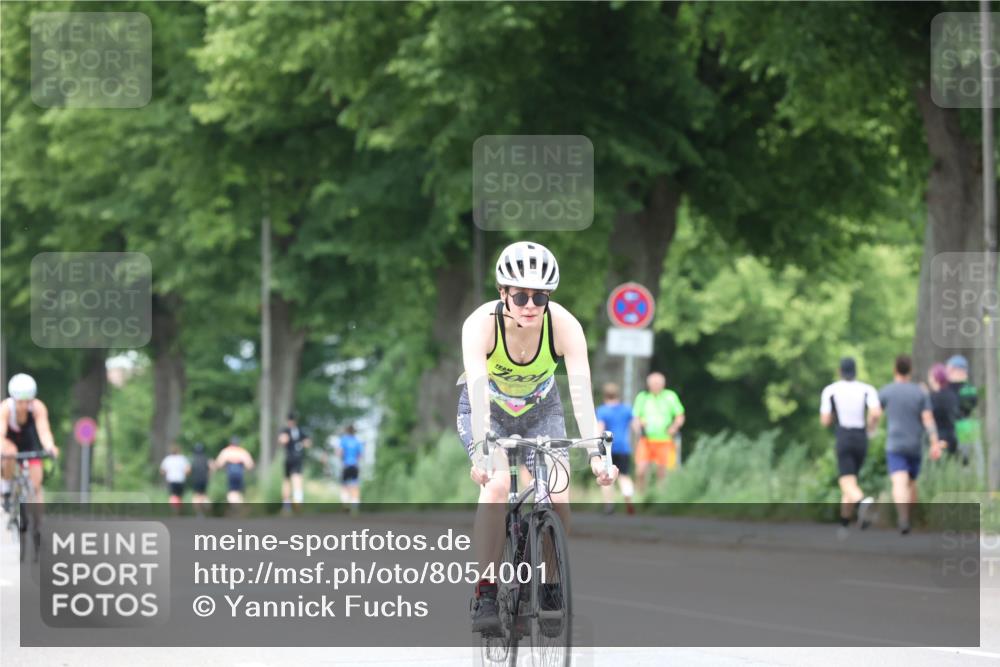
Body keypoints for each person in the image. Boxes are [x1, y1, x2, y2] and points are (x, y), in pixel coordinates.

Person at [458, 241, 617, 634]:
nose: (531, 304)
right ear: (502, 293)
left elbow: (580, 392)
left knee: (559, 495)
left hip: (541, 411)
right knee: (496, 486)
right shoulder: (481, 325)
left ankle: (549, 584)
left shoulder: (564, 326)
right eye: (521, 295)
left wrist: (597, 453)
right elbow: (477, 391)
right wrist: (481, 452)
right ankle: (487, 591)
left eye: (540, 296)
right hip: (488, 410)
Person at [877, 355, 941, 535]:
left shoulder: (886, 391)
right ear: (910, 370)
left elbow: (875, 413)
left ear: (894, 369)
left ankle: (903, 519)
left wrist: (870, 428)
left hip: (895, 443)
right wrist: (934, 442)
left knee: (899, 482)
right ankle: (909, 519)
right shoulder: (920, 392)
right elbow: (928, 419)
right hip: (914, 444)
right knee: (911, 483)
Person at [819, 357, 881, 531]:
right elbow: (875, 413)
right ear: (855, 371)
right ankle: (845, 522)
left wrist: (832, 417)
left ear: (840, 371)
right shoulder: (867, 389)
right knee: (851, 480)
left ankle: (863, 503)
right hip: (861, 437)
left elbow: (824, 420)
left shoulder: (831, 390)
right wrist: (871, 428)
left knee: (845, 481)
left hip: (844, 436)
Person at [1, 374, 60, 511]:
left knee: (36, 483)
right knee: (10, 452)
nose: (24, 406)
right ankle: (6, 488)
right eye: (20, 402)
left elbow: (44, 431)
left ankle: (38, 523)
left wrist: (50, 446)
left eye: (28, 401)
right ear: (14, 399)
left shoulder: (38, 408)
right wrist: (5, 447)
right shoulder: (5, 408)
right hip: (9, 441)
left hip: (29, 442)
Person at [631, 371, 685, 493]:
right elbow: (635, 417)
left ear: (663, 384)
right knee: (640, 470)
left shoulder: (670, 396)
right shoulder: (643, 397)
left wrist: (674, 427)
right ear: (649, 384)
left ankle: (661, 497)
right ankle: (641, 495)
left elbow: (680, 416)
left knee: (663, 471)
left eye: (658, 383)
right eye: (653, 384)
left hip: (665, 440)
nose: (656, 386)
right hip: (646, 440)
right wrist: (638, 426)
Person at [596, 382, 635, 515]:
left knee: (607, 475)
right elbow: (636, 426)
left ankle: (609, 506)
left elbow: (600, 429)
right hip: (624, 447)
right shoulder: (627, 409)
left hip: (608, 447)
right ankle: (629, 502)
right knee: (624, 476)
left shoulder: (602, 410)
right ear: (618, 394)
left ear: (605, 395)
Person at [946, 354, 980, 464]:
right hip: (968, 425)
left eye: (949, 369)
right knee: (967, 462)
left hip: (959, 426)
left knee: (962, 462)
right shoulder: (969, 388)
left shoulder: (948, 389)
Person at [278, 412, 312, 510]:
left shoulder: (300, 430)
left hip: (298, 458)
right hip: (289, 458)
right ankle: (287, 504)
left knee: (297, 479)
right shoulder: (285, 430)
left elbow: (308, 442)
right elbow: (281, 440)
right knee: (287, 481)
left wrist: (303, 443)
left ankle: (297, 502)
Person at [927, 363, 960, 458]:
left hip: (938, 438)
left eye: (930, 376)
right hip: (952, 437)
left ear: (936, 378)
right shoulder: (952, 395)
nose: (929, 378)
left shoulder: (934, 397)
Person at [215, 436, 255, 505]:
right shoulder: (242, 451)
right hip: (240, 472)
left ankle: (234, 507)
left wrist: (223, 468)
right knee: (238, 491)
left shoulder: (226, 451)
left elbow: (218, 464)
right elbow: (250, 465)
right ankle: (239, 507)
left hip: (230, 472)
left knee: (232, 492)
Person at [335, 425, 364, 511]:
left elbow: (339, 452)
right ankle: (355, 507)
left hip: (346, 465)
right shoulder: (357, 441)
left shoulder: (344, 440)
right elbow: (360, 455)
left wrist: (342, 459)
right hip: (355, 466)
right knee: (355, 486)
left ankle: (345, 505)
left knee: (344, 486)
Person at [159, 444, 191, 511]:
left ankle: (173, 510)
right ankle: (178, 510)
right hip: (180, 480)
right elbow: (188, 470)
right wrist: (185, 474)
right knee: (179, 496)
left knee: (173, 496)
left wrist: (166, 473)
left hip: (171, 480)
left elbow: (162, 471)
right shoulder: (182, 458)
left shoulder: (168, 459)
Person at [189, 442, 213, 512]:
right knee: (203, 494)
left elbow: (189, 470)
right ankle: (207, 504)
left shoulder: (193, 458)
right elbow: (211, 468)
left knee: (196, 495)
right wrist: (209, 476)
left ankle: (198, 512)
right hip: (204, 479)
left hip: (196, 479)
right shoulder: (206, 458)